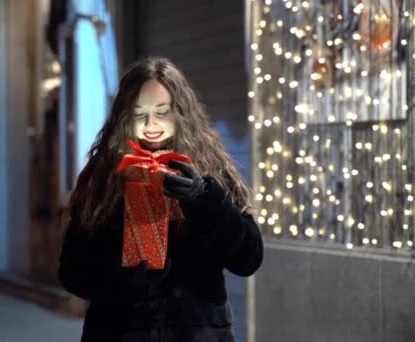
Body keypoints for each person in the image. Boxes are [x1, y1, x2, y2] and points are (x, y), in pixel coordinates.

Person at [58, 57, 263, 342]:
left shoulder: (209, 169)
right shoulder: (103, 175)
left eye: (162, 112)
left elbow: (248, 258)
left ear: (179, 113)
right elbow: (72, 273)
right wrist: (122, 275)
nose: (151, 124)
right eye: (139, 113)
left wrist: (203, 198)